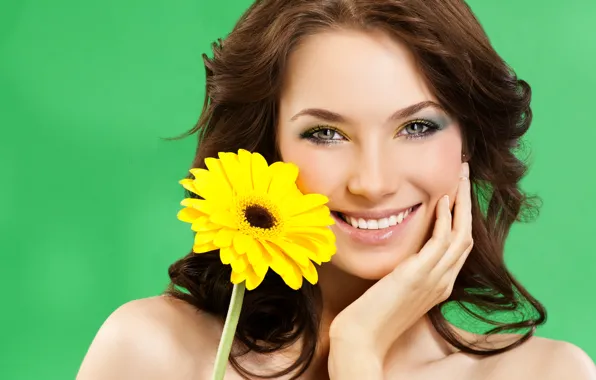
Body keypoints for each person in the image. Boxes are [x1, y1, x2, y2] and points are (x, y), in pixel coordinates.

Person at [77, 0, 596, 379]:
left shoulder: (547, 374)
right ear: (267, 148)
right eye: (325, 134)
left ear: (469, 142)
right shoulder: (153, 352)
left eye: (416, 127)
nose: (372, 182)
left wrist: (359, 352)